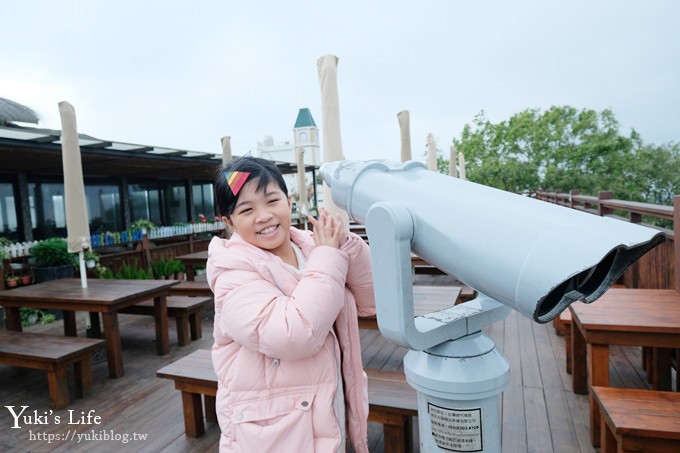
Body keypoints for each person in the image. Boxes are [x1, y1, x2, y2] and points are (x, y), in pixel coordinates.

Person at [207, 156, 376, 452]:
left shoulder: (313, 248)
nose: (264, 216)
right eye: (247, 209)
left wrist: (347, 247)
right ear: (228, 222)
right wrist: (329, 257)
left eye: (272, 201)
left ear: (289, 200)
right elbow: (294, 335)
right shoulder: (231, 274)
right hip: (275, 434)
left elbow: (372, 302)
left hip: (324, 410)